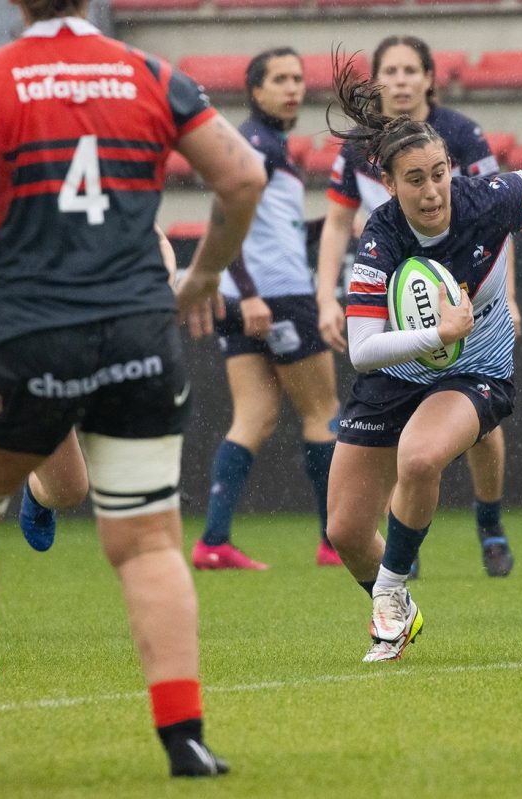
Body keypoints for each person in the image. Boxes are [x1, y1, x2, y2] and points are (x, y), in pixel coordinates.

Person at [0, 0, 265, 780]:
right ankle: (184, 736)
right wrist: (206, 275)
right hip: (137, 337)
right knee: (148, 539)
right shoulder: (153, 75)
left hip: (29, 337)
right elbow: (243, 175)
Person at [323, 58, 522, 661]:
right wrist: (435, 332)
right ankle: (399, 602)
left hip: (477, 367)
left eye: (439, 174)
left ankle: (390, 604)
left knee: (419, 458)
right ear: (390, 184)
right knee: (344, 530)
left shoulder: (489, 197)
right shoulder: (381, 239)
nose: (431, 192)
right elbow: (366, 350)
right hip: (394, 372)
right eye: (415, 179)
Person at [316, 35, 517, 578]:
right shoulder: (359, 147)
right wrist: (324, 298)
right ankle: (401, 566)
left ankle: (489, 520)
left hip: (469, 314)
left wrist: (510, 297)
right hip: (392, 301)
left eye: (410, 70)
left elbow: (495, 221)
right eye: (390, 71)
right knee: (355, 514)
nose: (401, 80)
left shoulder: (461, 136)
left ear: (429, 78)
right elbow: (337, 221)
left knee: (470, 428)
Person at [0, 191, 179, 552]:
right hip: (32, 342)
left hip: (102, 339)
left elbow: (156, 241)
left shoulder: (97, 163)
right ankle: (35, 493)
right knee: (70, 490)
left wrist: (156, 287)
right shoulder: (5, 172)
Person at [190, 48, 342, 571]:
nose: (293, 88)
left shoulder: (265, 143)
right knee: (323, 414)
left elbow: (272, 230)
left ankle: (213, 541)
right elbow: (224, 213)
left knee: (253, 417)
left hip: (246, 297)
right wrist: (251, 290)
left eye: (298, 78)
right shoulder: (254, 143)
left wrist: (336, 229)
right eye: (279, 79)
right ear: (255, 91)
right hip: (276, 296)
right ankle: (334, 539)